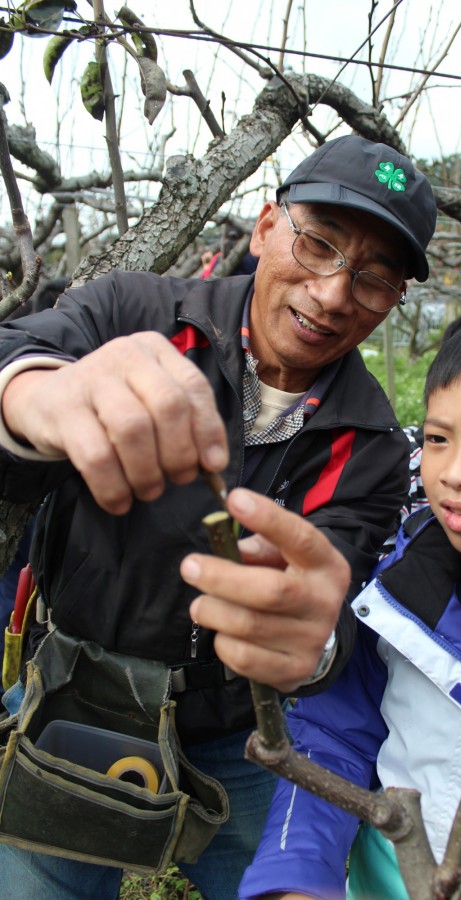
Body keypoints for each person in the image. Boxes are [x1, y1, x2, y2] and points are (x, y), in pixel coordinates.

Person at [0, 134, 437, 899]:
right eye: (319, 244)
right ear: (266, 226)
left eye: (373, 280)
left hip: (242, 737)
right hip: (79, 697)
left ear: (395, 300)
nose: (334, 294)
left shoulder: (371, 443)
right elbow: (26, 354)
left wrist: (316, 639)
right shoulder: (135, 313)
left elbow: (339, 596)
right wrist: (40, 394)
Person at [239, 308, 461, 900]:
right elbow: (331, 740)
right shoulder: (390, 600)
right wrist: (297, 877)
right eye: (437, 439)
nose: (455, 473)